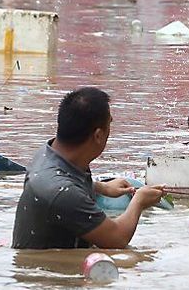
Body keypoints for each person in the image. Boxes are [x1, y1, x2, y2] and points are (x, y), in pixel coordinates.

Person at [12, 87, 166, 250]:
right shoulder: (63, 192)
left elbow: (67, 184)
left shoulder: (47, 154)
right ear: (98, 135)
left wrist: (102, 187)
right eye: (109, 124)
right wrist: (139, 201)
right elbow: (117, 239)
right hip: (44, 273)